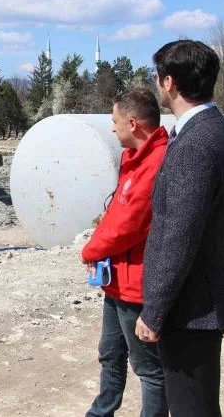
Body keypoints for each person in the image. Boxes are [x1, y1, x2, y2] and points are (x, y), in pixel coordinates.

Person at [135, 40, 224, 417]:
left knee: (190, 409)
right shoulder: (222, 132)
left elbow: (179, 236)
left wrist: (154, 311)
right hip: (208, 298)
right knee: (199, 404)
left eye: (157, 77)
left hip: (191, 307)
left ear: (169, 82)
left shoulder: (195, 144)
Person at [82, 89, 169, 417]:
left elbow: (129, 223)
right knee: (110, 353)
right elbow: (116, 213)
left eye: (115, 121)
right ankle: (101, 411)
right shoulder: (135, 157)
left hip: (137, 285)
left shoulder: (157, 162)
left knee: (148, 368)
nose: (113, 128)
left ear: (132, 123)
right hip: (117, 278)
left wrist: (90, 250)